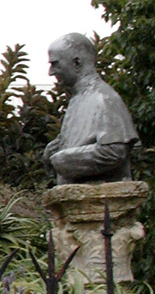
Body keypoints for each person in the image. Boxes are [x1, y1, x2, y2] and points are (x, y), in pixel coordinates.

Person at [45, 33, 141, 184]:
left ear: (77, 63)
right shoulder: (77, 100)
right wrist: (50, 154)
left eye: (55, 64)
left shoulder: (103, 97)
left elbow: (115, 151)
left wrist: (64, 159)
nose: (51, 72)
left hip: (102, 196)